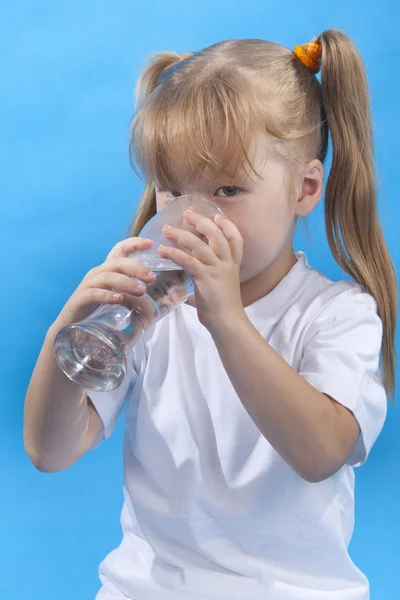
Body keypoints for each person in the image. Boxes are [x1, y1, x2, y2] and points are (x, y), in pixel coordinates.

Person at [24, 29, 398, 600]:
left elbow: (321, 452)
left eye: (226, 189)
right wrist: (66, 332)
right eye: (172, 192)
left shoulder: (336, 314)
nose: (191, 218)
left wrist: (226, 318)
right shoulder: (151, 312)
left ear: (304, 188)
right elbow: (49, 452)